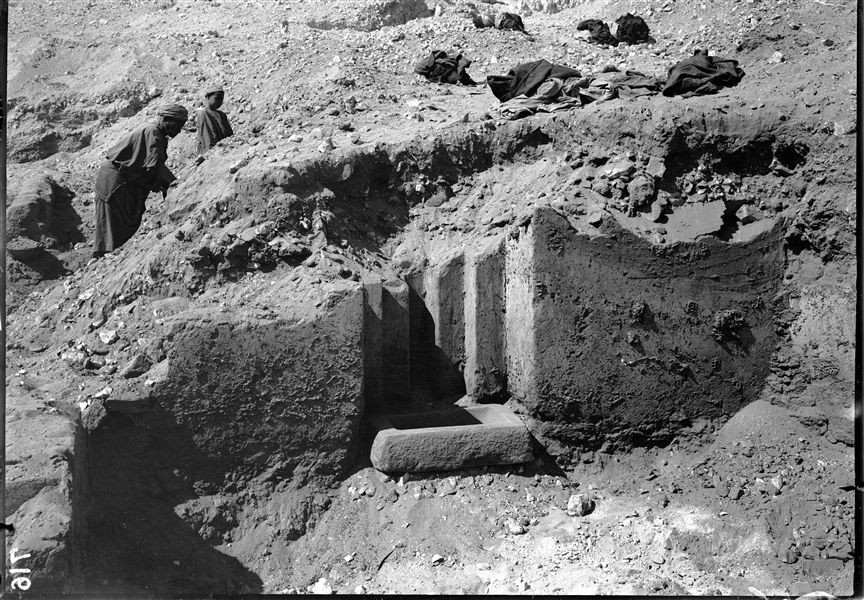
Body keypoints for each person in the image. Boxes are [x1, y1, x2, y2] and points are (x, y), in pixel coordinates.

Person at [91, 103, 188, 259]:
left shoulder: (158, 135)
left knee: (119, 222)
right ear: (166, 119)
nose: (179, 130)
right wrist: (172, 184)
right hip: (115, 181)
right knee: (112, 223)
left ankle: (106, 256)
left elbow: (154, 165)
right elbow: (154, 165)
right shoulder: (153, 133)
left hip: (120, 179)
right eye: (177, 124)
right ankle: (102, 257)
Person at [196, 84, 233, 155]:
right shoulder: (203, 113)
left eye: (221, 99)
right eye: (217, 98)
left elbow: (229, 135)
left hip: (224, 150)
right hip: (210, 152)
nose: (219, 102)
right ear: (208, 97)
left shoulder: (222, 115)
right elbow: (207, 138)